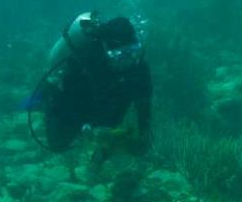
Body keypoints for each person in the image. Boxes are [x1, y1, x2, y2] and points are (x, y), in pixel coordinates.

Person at [27, 12, 152, 159]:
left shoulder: (139, 68)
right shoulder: (89, 59)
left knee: (111, 129)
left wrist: (144, 135)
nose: (128, 61)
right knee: (58, 144)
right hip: (77, 101)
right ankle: (41, 99)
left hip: (106, 107)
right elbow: (70, 96)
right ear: (107, 51)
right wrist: (86, 128)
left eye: (132, 52)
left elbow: (144, 105)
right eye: (120, 55)